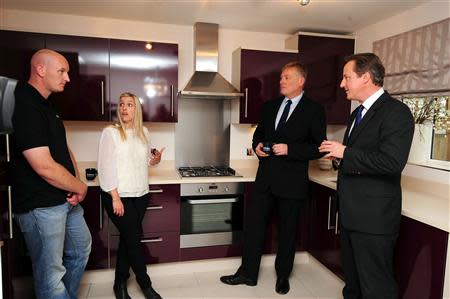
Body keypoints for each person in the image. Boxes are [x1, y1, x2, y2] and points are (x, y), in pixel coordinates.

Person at [220, 61, 326, 295]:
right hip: (265, 179)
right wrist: (257, 146)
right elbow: (258, 135)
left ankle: (282, 276)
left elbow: (319, 148)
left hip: (292, 183)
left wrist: (290, 149)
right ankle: (247, 274)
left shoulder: (314, 110)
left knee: (288, 233)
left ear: (301, 81)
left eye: (287, 77)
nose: (281, 81)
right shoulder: (270, 106)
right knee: (253, 228)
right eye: (281, 77)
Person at [319, 53, 414, 298]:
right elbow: (361, 157)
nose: (342, 84)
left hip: (374, 220)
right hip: (351, 216)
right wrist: (341, 156)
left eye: (346, 77)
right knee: (352, 285)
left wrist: (346, 152)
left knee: (376, 288)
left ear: (366, 78)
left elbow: (392, 163)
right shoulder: (356, 114)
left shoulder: (397, 113)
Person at [11, 49, 92, 299]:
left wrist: (77, 183)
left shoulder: (47, 105)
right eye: (62, 71)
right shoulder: (25, 104)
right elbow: (43, 166)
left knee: (80, 249)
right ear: (41, 70)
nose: (68, 78)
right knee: (50, 276)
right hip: (41, 206)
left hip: (64, 199)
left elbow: (64, 148)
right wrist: (80, 187)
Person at [97, 92, 165, 299]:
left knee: (129, 240)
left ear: (136, 109)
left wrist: (156, 160)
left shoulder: (143, 132)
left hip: (141, 194)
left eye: (129, 104)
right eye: (121, 104)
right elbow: (105, 167)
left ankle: (119, 284)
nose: (124, 108)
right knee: (134, 240)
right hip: (118, 196)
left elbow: (145, 161)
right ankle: (146, 285)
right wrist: (115, 197)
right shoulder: (111, 133)